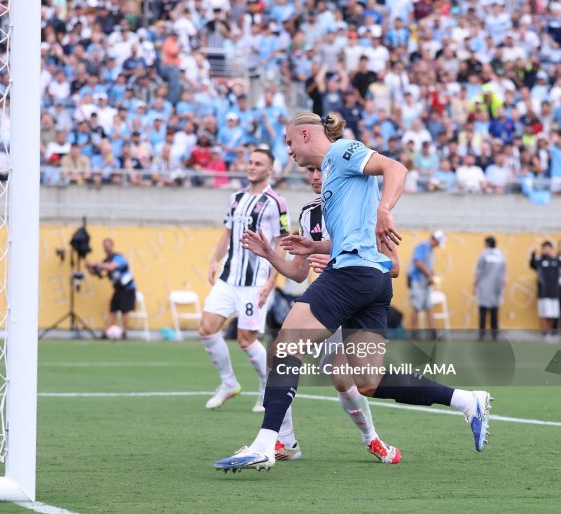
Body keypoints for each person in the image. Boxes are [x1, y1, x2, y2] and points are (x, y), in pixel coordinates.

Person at [214, 112, 491, 473]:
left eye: (289, 141)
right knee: (369, 381)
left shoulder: (343, 151)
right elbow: (349, 234)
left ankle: (269, 443)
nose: (289, 150)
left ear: (305, 133)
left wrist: (385, 209)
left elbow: (397, 168)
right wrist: (314, 246)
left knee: (284, 348)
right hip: (371, 282)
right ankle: (468, 401)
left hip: (352, 273)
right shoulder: (331, 178)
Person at [241, 167, 402, 463]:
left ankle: (373, 439)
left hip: (357, 302)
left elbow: (393, 268)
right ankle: (285, 441)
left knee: (345, 377)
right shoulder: (308, 215)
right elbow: (299, 272)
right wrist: (270, 254)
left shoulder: (362, 209)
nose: (315, 176)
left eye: (321, 170)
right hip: (325, 305)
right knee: (279, 354)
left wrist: (345, 261)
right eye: (311, 171)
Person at [199, 148, 289, 414]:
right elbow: (227, 233)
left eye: (258, 163)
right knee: (206, 328)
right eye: (250, 162)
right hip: (229, 277)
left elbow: (280, 243)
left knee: (246, 339)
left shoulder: (276, 202)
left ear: (270, 170)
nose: (251, 167)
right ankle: (228, 383)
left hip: (254, 281)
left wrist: (271, 282)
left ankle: (267, 389)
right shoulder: (235, 198)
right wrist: (215, 260)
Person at [85, 238, 137, 339]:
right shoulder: (105, 261)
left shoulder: (119, 257)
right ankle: (106, 333)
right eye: (105, 246)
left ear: (112, 246)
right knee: (112, 311)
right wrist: (89, 267)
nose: (106, 248)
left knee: (124, 311)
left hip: (128, 288)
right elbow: (97, 273)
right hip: (118, 289)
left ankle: (124, 333)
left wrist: (96, 263)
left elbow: (111, 267)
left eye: (108, 245)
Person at [407, 230, 446, 339]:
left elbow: (426, 265)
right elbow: (418, 262)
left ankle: (433, 333)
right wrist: (429, 274)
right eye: (438, 243)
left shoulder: (430, 250)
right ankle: (413, 334)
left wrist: (431, 273)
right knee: (416, 307)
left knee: (429, 307)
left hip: (425, 282)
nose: (438, 246)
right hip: (417, 281)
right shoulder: (422, 247)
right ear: (435, 240)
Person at [473, 236, 506, 341]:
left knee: (483, 310)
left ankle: (482, 333)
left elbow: (478, 271)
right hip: (496, 288)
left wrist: (475, 285)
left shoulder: (484, 255)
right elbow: (503, 273)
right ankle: (494, 334)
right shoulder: (501, 255)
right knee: (494, 311)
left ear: (487, 244)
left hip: (484, 286)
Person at [529, 241, 560, 340]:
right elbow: (532, 264)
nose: (547, 250)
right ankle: (544, 333)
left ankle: (551, 333)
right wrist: (533, 254)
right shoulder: (539, 261)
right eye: (545, 248)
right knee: (544, 314)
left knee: (553, 315)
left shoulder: (556, 260)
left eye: (549, 248)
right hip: (544, 292)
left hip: (554, 292)